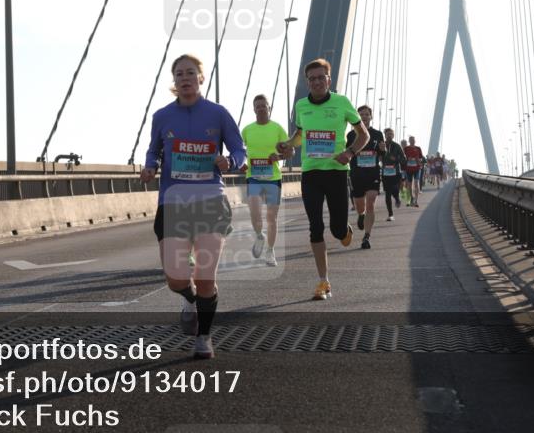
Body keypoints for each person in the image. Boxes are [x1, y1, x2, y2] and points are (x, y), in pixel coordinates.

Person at [141, 54, 246, 359]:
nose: (184, 78)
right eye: (178, 74)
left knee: (205, 277)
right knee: (175, 278)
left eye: (190, 73)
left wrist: (232, 160)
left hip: (210, 200)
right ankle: (188, 300)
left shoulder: (218, 114)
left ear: (201, 78)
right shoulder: (162, 116)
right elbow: (154, 151)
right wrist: (150, 167)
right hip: (173, 203)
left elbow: (239, 148)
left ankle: (204, 337)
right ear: (173, 81)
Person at [276, 58, 368, 300]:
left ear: (329, 79)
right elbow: (300, 135)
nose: (317, 82)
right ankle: (323, 282)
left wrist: (350, 152)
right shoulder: (301, 105)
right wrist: (286, 145)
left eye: (321, 77)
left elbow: (364, 135)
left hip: (336, 173)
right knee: (315, 227)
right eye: (312, 79)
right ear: (308, 82)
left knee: (337, 231)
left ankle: (344, 229)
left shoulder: (342, 103)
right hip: (311, 174)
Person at [241, 94, 288, 267]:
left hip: (273, 178)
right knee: (255, 215)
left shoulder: (277, 128)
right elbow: (238, 150)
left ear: (269, 108)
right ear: (254, 109)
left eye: (264, 105)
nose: (261, 108)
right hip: (253, 177)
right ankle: (259, 236)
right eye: (258, 106)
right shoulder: (247, 130)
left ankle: (270, 251)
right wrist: (239, 163)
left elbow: (291, 152)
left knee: (271, 218)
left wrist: (280, 156)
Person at [347, 105, 385, 249]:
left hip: (373, 173)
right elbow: (347, 153)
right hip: (357, 174)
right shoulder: (351, 135)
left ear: (371, 116)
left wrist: (383, 150)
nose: (364, 117)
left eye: (366, 114)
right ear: (358, 117)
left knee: (370, 203)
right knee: (360, 205)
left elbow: (382, 155)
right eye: (361, 114)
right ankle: (360, 215)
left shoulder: (377, 134)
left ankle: (366, 236)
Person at [380, 128, 406, 221]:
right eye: (388, 134)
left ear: (393, 135)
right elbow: (377, 155)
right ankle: (390, 214)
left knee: (395, 190)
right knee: (387, 193)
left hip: (396, 172)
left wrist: (395, 159)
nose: (389, 135)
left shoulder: (397, 146)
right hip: (385, 173)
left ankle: (397, 198)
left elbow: (403, 159)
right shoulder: (381, 145)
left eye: (391, 134)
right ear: (385, 135)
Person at [403, 135, 424, 207]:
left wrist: (418, 160)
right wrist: (407, 159)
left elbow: (421, 158)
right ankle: (410, 198)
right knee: (409, 185)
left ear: (415, 141)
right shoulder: (406, 148)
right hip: (408, 168)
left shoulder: (418, 148)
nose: (412, 141)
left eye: (413, 139)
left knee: (416, 183)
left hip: (417, 168)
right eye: (411, 139)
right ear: (409, 141)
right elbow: (403, 158)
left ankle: (416, 201)